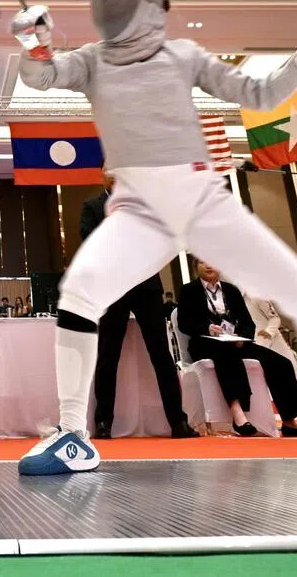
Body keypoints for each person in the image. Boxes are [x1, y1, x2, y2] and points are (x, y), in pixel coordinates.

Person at [12, 0, 297, 476]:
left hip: (202, 201)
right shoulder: (93, 60)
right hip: (138, 210)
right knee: (79, 295)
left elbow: (255, 95)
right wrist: (34, 44)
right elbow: (42, 78)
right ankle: (74, 435)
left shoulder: (182, 54)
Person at [81, 182, 198, 440]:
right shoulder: (92, 206)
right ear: (104, 177)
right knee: (108, 356)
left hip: (146, 286)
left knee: (161, 355)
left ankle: (178, 421)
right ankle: (103, 422)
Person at [178, 262, 297, 437]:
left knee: (280, 362)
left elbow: (248, 323)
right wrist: (207, 328)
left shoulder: (232, 291)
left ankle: (289, 421)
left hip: (234, 342)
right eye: (203, 261)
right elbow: (184, 323)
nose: (209, 265)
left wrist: (242, 337)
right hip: (204, 343)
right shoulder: (189, 291)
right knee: (225, 353)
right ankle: (238, 413)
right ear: (196, 266)